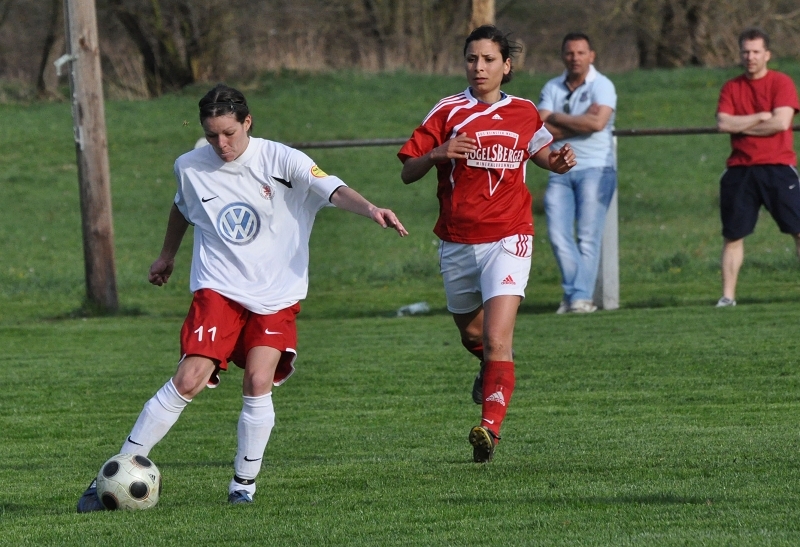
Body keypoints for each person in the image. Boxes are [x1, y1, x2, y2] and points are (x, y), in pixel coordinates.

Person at [77, 83, 408, 511]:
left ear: (247, 122)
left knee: (257, 380)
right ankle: (109, 475)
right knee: (189, 379)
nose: (221, 144)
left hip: (277, 292)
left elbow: (333, 189)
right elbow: (182, 206)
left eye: (229, 133)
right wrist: (166, 256)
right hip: (219, 287)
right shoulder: (189, 166)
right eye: (212, 135)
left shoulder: (283, 159)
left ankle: (242, 486)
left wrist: (371, 209)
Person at [397, 25, 575, 463]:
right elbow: (407, 171)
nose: (479, 67)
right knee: (473, 334)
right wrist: (437, 154)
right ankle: (489, 368)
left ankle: (489, 430)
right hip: (457, 240)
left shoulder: (524, 111)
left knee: (497, 339)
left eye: (489, 59)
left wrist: (558, 162)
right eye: (472, 59)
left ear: (506, 65)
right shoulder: (447, 110)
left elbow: (541, 154)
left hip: (510, 237)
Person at [715, 27, 800, 307]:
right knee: (733, 235)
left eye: (755, 52)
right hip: (740, 169)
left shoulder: (781, 83)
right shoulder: (731, 87)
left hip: (778, 167)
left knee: (798, 230)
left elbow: (781, 122)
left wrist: (743, 125)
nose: (750, 57)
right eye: (745, 52)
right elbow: (723, 123)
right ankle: (728, 297)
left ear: (767, 54)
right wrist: (760, 116)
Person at [537, 32, 617, 314]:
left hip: (595, 168)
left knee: (587, 236)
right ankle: (577, 295)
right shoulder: (552, 87)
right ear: (563, 56)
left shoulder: (603, 85)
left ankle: (579, 298)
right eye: (570, 53)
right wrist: (580, 122)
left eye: (581, 53)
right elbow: (538, 128)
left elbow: (597, 123)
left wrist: (556, 117)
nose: (575, 58)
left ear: (591, 55)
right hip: (559, 169)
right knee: (557, 234)